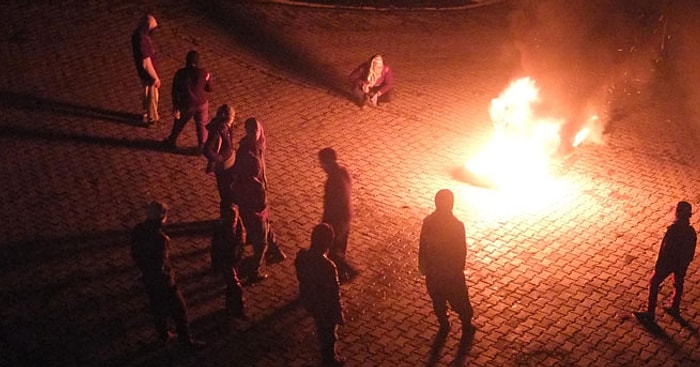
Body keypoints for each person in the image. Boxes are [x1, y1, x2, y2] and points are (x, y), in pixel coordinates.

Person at [130, 201, 205, 348]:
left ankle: (163, 335)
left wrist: (144, 271)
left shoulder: (138, 229)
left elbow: (134, 253)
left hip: (148, 280)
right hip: (163, 282)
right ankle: (186, 341)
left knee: (157, 309)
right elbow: (160, 264)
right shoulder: (161, 239)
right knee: (180, 309)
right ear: (162, 217)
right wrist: (166, 276)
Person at [231, 117, 286, 282]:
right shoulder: (244, 152)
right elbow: (242, 177)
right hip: (252, 200)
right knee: (260, 239)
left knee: (265, 224)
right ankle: (255, 271)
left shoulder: (259, 146)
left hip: (260, 196)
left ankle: (274, 249)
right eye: (250, 131)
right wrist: (256, 187)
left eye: (255, 131)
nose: (253, 134)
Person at [419, 189, 475, 340]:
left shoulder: (428, 222)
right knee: (461, 301)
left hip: (434, 272)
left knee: (438, 300)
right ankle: (466, 326)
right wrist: (458, 269)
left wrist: (423, 267)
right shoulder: (457, 226)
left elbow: (423, 246)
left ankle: (444, 324)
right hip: (451, 273)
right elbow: (461, 250)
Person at [636, 201, 697, 322]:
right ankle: (674, 306)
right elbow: (690, 253)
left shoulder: (672, 230)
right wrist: (684, 264)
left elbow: (664, 249)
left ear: (677, 213)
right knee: (678, 283)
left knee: (654, 283)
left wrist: (659, 264)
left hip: (667, 262)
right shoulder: (691, 232)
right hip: (681, 264)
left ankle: (650, 312)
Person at [295, 223, 346, 366]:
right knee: (329, 334)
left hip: (311, 300)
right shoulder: (328, 267)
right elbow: (334, 293)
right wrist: (339, 312)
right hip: (325, 306)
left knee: (321, 327)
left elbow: (301, 276)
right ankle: (329, 359)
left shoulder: (302, 256)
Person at [318, 148, 356, 282]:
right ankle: (342, 273)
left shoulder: (332, 182)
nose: (321, 166)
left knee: (333, 251)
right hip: (346, 216)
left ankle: (346, 272)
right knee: (341, 246)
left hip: (336, 221)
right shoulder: (343, 172)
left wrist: (325, 223)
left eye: (321, 163)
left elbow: (331, 206)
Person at [164, 50, 213, 152]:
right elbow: (210, 88)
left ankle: (172, 141)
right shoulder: (204, 73)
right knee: (202, 125)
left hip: (186, 103)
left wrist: (175, 105)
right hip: (201, 103)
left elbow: (174, 90)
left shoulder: (180, 73)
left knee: (179, 123)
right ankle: (202, 145)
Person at [210, 204, 247, 319]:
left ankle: (229, 307)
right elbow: (215, 248)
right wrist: (215, 264)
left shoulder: (239, 225)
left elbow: (241, 241)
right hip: (226, 261)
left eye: (234, 219)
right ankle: (239, 310)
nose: (233, 222)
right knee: (236, 287)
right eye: (230, 219)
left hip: (234, 259)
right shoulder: (220, 229)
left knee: (231, 286)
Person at [203, 105, 237, 216]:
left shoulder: (227, 126)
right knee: (226, 194)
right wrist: (220, 158)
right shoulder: (219, 130)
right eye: (233, 117)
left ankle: (230, 216)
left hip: (230, 163)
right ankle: (226, 217)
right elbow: (207, 150)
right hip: (223, 167)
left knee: (231, 192)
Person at [131, 13, 161, 126]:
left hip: (144, 74)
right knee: (152, 97)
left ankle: (145, 113)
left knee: (147, 94)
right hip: (148, 75)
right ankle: (151, 118)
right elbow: (146, 63)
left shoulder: (137, 35)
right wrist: (155, 78)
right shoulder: (142, 40)